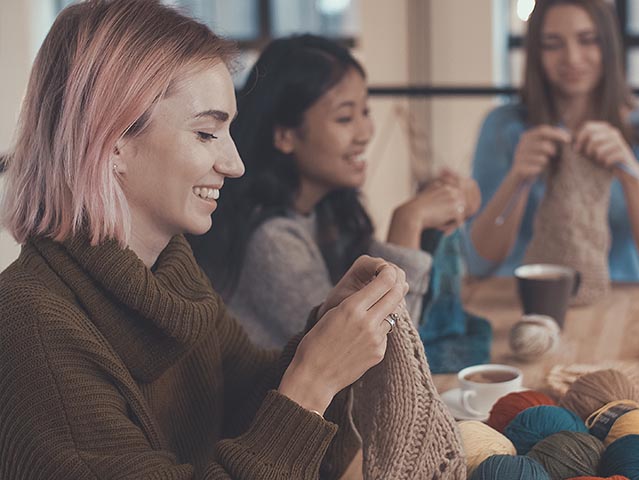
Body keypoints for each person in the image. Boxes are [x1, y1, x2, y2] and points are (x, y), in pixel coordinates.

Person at [0, 2, 466, 479]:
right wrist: (313, 381)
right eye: (206, 133)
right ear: (112, 140)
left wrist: (325, 329)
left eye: (228, 131)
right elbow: (282, 417)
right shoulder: (30, 329)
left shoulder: (171, 278)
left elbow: (247, 401)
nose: (235, 163)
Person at [189, 34, 480, 349]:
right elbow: (381, 356)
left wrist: (436, 217)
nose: (366, 132)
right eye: (345, 117)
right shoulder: (270, 242)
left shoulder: (327, 210)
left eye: (365, 112)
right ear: (285, 135)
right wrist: (408, 222)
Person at [465, 0, 639, 283]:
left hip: (619, 300)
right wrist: (518, 177)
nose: (572, 58)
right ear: (537, 52)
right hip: (519, 300)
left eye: (588, 40)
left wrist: (631, 175)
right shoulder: (504, 127)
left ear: (609, 47)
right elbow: (477, 262)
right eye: (553, 43)